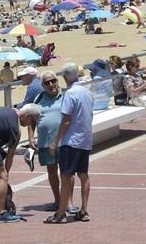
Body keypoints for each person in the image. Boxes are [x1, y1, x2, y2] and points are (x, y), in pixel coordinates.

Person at [45, 64, 93, 224]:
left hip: (71, 141)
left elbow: (65, 121)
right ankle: (84, 211)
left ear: (65, 78)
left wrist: (55, 142)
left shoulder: (70, 94)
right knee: (83, 175)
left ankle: (60, 214)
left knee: (65, 176)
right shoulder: (87, 92)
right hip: (85, 140)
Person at [28, 71, 78, 213]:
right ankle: (58, 200)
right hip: (45, 142)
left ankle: (69, 202)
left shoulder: (66, 96)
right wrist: (31, 137)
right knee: (51, 171)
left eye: (53, 81)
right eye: (47, 82)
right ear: (43, 85)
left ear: (57, 81)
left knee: (67, 172)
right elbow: (31, 119)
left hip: (65, 141)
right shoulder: (38, 98)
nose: (51, 84)